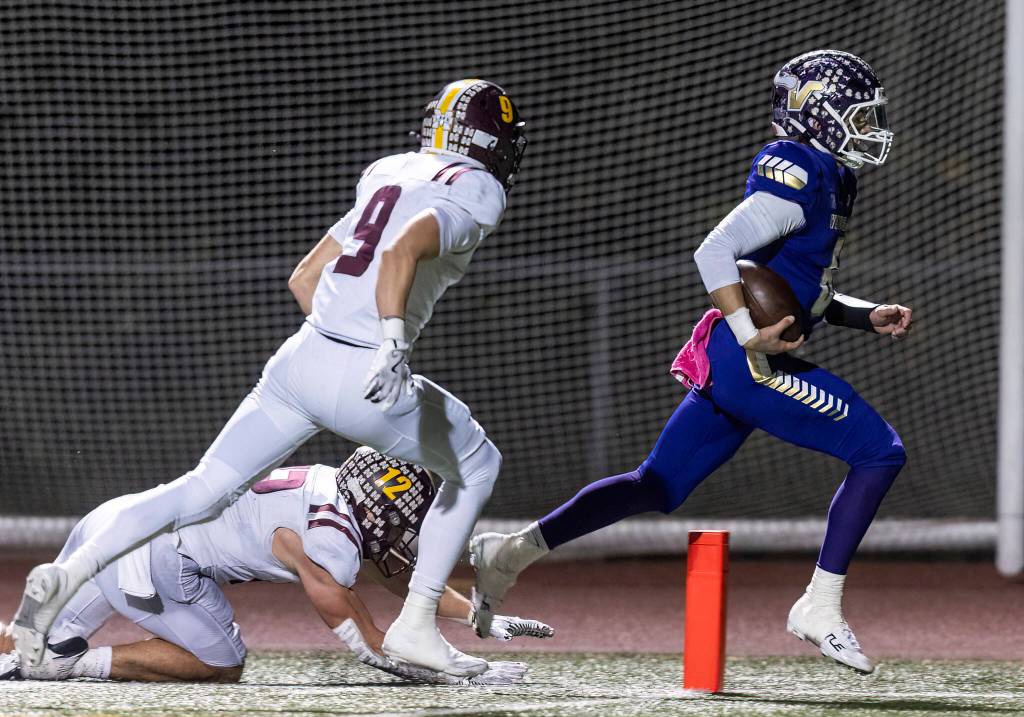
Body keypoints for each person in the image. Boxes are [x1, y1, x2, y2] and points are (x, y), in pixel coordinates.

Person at [13, 79, 528, 679]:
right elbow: (400, 253)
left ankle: (70, 573)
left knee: (200, 488)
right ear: (490, 142)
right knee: (477, 462)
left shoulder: (388, 169)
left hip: (301, 359)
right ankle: (416, 627)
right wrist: (386, 340)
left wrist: (338, 340)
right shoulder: (480, 190)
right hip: (365, 371)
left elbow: (306, 276)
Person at [469, 50, 911, 675]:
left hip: (740, 359)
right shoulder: (799, 167)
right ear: (817, 115)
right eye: (857, 116)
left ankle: (509, 553)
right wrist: (747, 335)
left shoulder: (836, 175)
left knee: (658, 484)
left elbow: (796, 288)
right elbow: (717, 253)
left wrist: (862, 314)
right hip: (750, 365)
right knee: (879, 451)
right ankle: (820, 604)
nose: (870, 129)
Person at [1, 448, 551, 684]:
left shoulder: (330, 488)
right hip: (155, 563)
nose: (415, 533)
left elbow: (397, 576)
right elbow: (373, 644)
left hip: (118, 519)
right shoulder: (330, 542)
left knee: (23, 643)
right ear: (384, 509)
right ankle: (71, 667)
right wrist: (458, 669)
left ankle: (48, 650)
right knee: (223, 664)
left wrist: (478, 616)